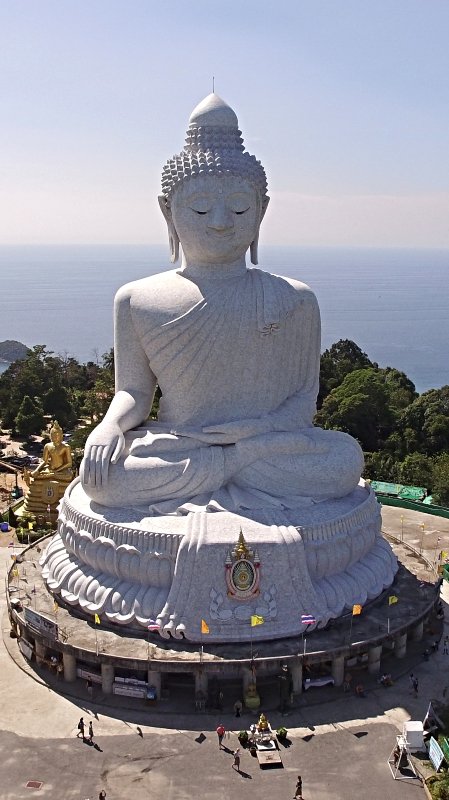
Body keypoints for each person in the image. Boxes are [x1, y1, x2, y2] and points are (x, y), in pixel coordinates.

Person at [80, 94, 364, 516]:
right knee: (103, 477)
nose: (219, 222)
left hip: (264, 445)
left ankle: (229, 465)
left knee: (344, 457)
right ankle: (229, 468)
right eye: (199, 207)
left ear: (261, 212)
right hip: (182, 442)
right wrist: (108, 426)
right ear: (167, 211)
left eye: (238, 207)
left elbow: (303, 402)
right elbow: (134, 393)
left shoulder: (295, 299)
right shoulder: (137, 300)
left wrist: (252, 434)